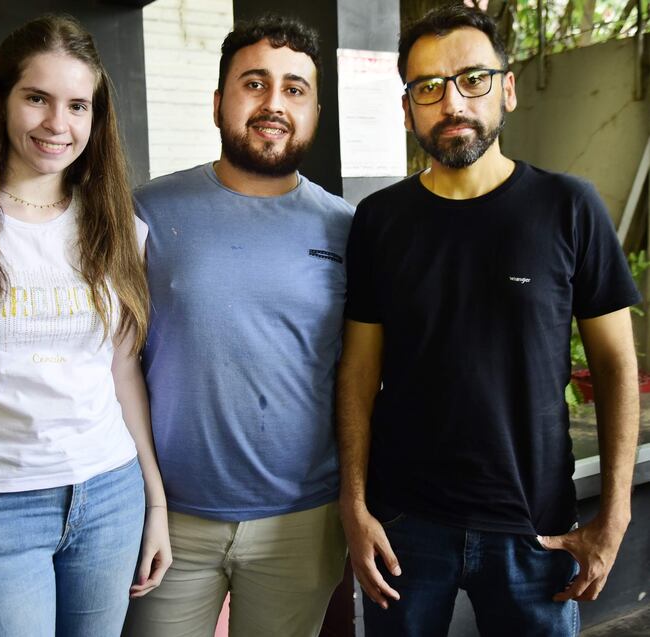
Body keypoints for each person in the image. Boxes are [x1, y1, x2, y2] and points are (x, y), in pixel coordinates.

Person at [337, 4, 640, 636]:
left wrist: (613, 517)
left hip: (538, 532)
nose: (452, 103)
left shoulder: (569, 208)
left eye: (472, 78)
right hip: (405, 531)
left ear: (507, 88)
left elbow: (615, 366)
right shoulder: (380, 222)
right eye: (428, 87)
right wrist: (354, 504)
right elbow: (359, 373)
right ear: (407, 106)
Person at [0, 14, 170, 637]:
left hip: (110, 496)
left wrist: (154, 502)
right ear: (2, 99)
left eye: (78, 105)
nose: (58, 124)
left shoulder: (118, 227)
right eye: (37, 98)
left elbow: (124, 373)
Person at [122, 13, 352, 637]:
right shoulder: (146, 210)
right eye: (255, 84)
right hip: (169, 518)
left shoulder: (349, 227)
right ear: (219, 101)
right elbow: (112, 364)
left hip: (302, 519)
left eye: (294, 89)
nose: (274, 103)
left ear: (313, 111)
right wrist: (144, 498)